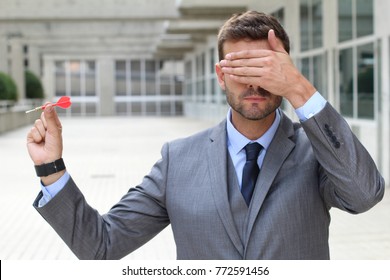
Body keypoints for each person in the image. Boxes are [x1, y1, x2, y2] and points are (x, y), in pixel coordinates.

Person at [27, 11, 384, 260]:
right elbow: (100, 247)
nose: (254, 81)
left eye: (265, 68)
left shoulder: (317, 153)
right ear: (219, 75)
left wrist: (300, 90)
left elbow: (365, 195)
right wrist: (51, 169)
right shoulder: (178, 160)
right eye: (240, 68)